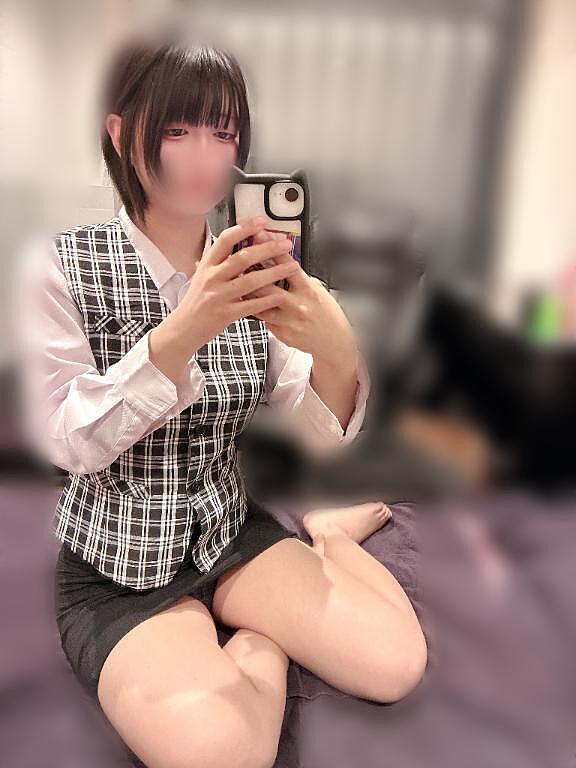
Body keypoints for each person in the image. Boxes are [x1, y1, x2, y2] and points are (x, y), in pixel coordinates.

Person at [16, 34, 427, 768]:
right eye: (177, 130)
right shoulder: (61, 266)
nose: (206, 155)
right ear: (122, 134)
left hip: (231, 530)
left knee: (396, 664)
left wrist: (338, 354)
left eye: (224, 131)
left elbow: (318, 433)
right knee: (220, 754)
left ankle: (328, 536)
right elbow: (66, 440)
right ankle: (254, 636)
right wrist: (183, 331)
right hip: (117, 565)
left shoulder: (256, 266)